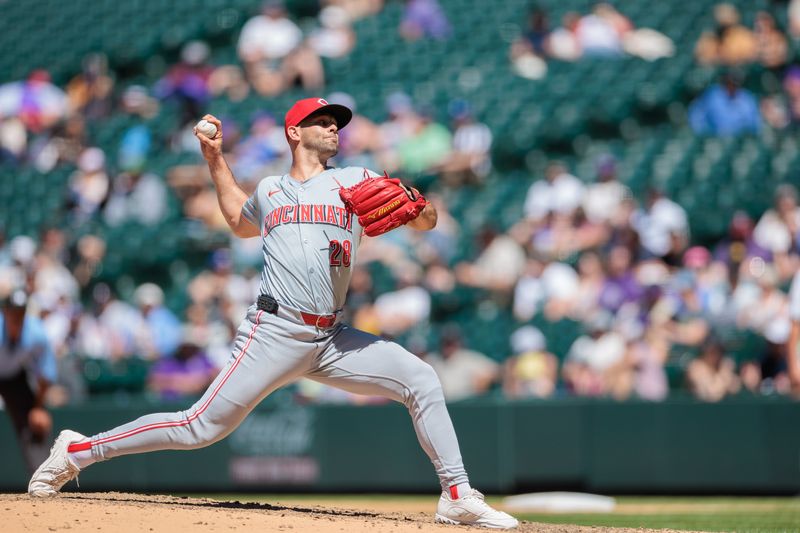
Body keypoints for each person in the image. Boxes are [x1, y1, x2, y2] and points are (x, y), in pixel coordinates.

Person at [28, 97, 518, 529]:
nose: (333, 128)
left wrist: (417, 204)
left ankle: (456, 495)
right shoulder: (270, 190)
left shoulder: (356, 179)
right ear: (293, 132)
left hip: (332, 339)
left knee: (423, 379)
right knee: (199, 427)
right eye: (321, 120)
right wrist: (215, 158)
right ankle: (77, 451)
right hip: (274, 330)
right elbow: (237, 220)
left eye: (336, 122)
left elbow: (427, 222)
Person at [0, 289, 57, 473]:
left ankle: (43, 478)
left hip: (15, 377)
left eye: (21, 312)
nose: (16, 316)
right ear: (4, 312)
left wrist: (38, 407)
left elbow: (45, 375)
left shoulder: (36, 334)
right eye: (12, 312)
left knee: (35, 426)